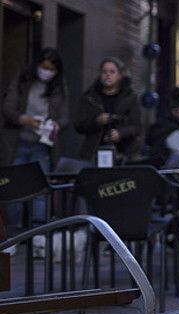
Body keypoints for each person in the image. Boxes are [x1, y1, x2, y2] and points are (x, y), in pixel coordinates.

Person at [1, 48, 68, 231]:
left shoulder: (58, 87)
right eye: (43, 67)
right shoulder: (23, 80)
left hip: (43, 144)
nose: (46, 71)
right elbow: (8, 108)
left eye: (51, 68)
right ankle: (14, 232)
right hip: (18, 141)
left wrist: (56, 125)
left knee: (40, 190)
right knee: (14, 188)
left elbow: (64, 116)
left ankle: (38, 233)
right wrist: (25, 119)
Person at [74, 58, 141, 162]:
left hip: (124, 153)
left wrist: (120, 133)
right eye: (104, 72)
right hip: (94, 152)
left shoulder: (130, 97)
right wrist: (97, 121)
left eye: (112, 72)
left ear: (119, 75)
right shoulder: (89, 97)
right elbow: (78, 125)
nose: (107, 75)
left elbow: (137, 127)